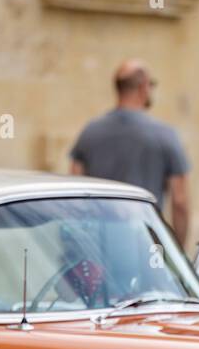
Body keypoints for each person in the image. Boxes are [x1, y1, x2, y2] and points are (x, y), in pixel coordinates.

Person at [69, 60, 191, 247]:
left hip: (97, 247)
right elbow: (180, 201)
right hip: (144, 246)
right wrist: (178, 252)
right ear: (143, 87)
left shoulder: (89, 132)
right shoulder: (165, 135)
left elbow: (74, 193)